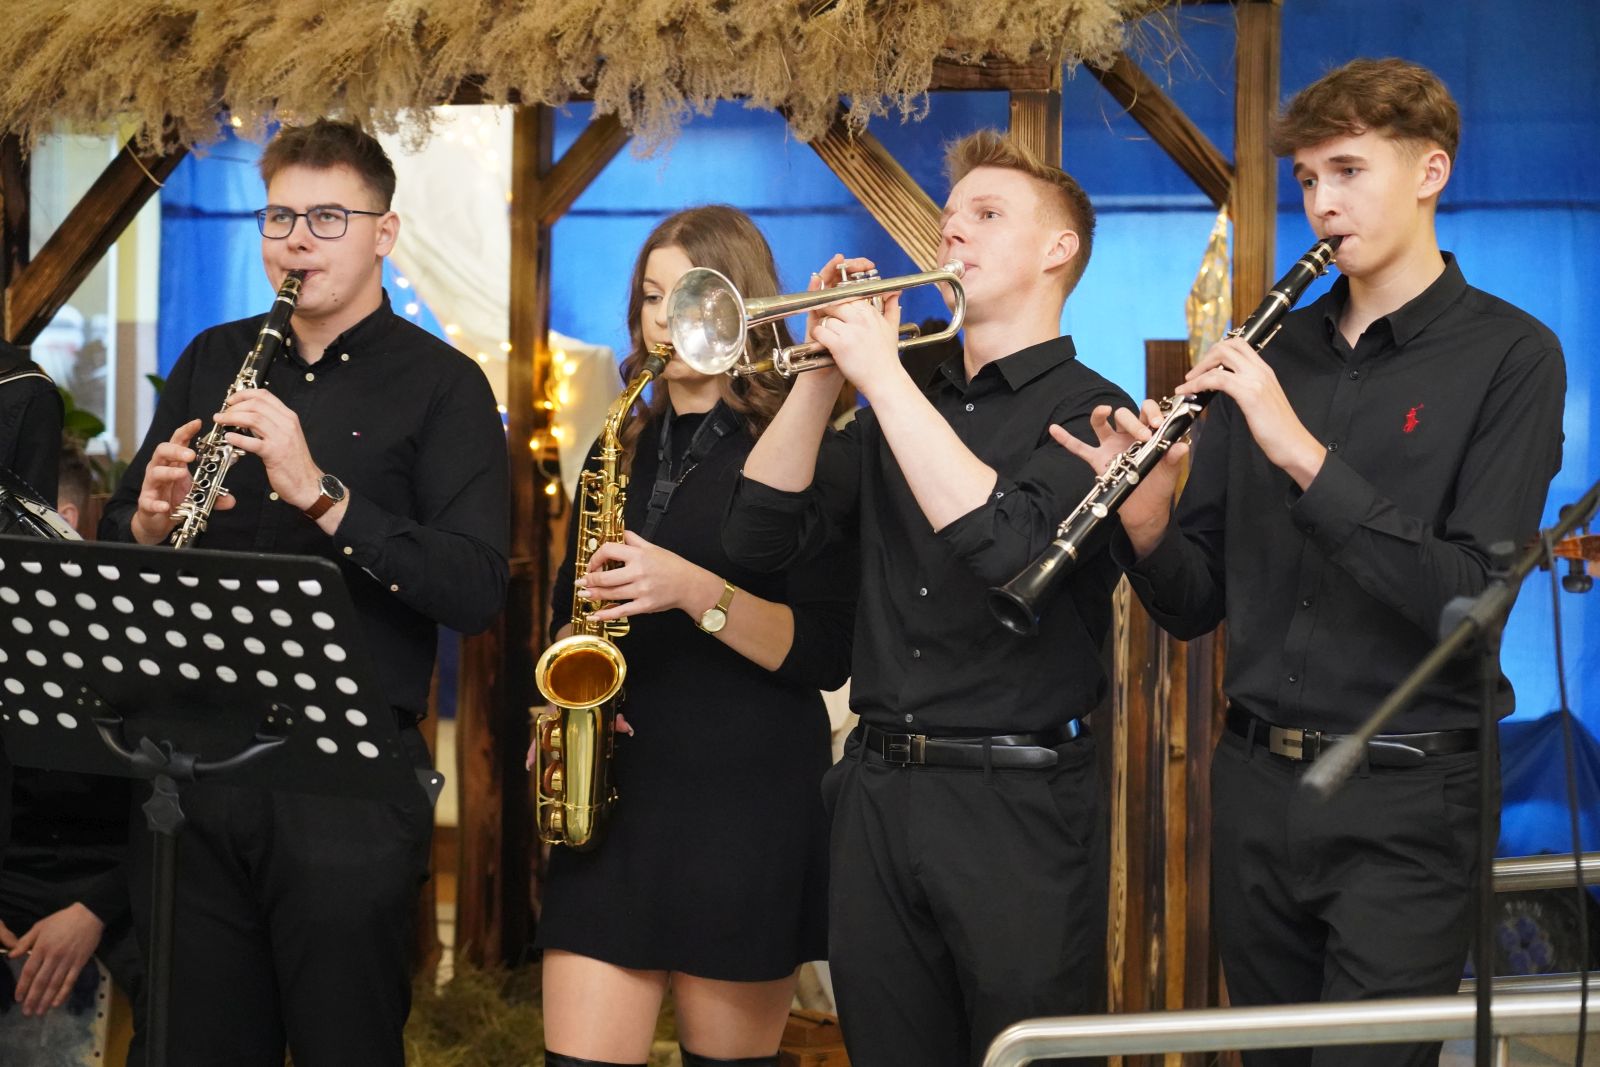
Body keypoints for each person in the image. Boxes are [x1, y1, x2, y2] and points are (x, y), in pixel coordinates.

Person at [1054, 58, 1566, 1066]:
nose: (1322, 203)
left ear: (1430, 171)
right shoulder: (1273, 350)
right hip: (1255, 788)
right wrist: (1149, 524)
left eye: (1348, 171)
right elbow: (1196, 603)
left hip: (1411, 796)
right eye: (1306, 179)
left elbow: (1469, 597)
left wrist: (1296, 449)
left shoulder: (1512, 355)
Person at [101, 118, 509, 1066]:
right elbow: (126, 536)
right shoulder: (212, 358)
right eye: (280, 217)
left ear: (384, 233)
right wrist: (150, 524)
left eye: (328, 218)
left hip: (344, 783)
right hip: (193, 770)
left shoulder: (445, 387)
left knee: (343, 1043)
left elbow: (474, 587)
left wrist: (319, 491)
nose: (297, 240)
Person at [722, 130, 1133, 1067]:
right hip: (878, 790)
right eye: (949, 219)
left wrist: (880, 374)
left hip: (1018, 802)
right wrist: (823, 376)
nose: (953, 235)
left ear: (1058, 249)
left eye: (987, 215)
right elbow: (754, 540)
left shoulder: (1092, 413)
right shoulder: (900, 399)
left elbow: (1010, 550)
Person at [532, 204, 855, 1067]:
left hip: (746, 802)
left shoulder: (806, 446)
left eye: (689, 298)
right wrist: (561, 709)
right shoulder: (619, 444)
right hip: (618, 793)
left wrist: (691, 590)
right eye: (649, 297)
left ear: (741, 306)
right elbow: (571, 607)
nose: (662, 321)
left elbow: (825, 651)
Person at [1, 441, 141, 1026]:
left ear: (64, 519)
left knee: (187, 993)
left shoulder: (140, 631)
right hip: (12, 871)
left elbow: (174, 807)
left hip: (121, 879)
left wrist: (93, 911)